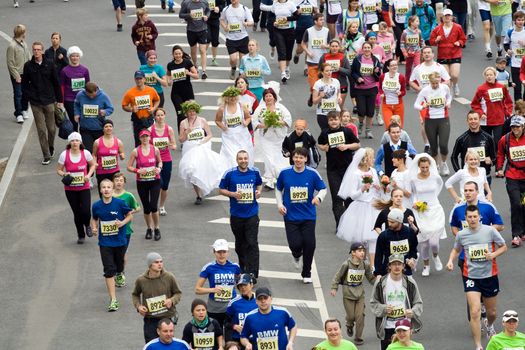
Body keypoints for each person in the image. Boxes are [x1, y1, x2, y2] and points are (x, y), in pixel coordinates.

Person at [446, 205, 508, 350]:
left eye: (475, 217)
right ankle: (478, 346)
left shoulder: (490, 230)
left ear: (479, 217)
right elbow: (456, 249)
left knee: (492, 312)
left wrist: (493, 255)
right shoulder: (462, 234)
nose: (472, 219)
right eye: (469, 217)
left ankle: (489, 324)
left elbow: (503, 246)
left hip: (489, 275)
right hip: (470, 276)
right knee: (475, 311)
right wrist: (450, 261)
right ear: (466, 219)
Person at [276, 147, 327, 283]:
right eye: (296, 157)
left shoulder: (312, 173)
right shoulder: (285, 173)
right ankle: (296, 254)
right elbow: (278, 189)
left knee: (310, 244)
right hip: (290, 216)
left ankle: (307, 273)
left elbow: (323, 188)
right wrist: (280, 205)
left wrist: (318, 198)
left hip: (308, 216)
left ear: (306, 159)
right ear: (292, 158)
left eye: (301, 157)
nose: (298, 160)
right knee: (295, 244)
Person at [90, 179, 133, 312]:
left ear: (113, 189)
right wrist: (94, 228)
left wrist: (122, 222)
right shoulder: (96, 206)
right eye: (104, 187)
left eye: (109, 187)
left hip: (119, 241)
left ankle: (120, 272)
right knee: (109, 270)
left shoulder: (120, 203)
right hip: (105, 243)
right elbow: (94, 218)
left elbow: (130, 215)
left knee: (119, 265)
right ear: (101, 190)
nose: (107, 189)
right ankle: (113, 300)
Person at [219, 151, 262, 279]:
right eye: (240, 159)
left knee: (252, 243)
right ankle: (243, 269)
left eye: (245, 158)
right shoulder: (230, 173)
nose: (243, 161)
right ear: (237, 160)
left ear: (248, 159)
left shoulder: (255, 172)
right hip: (236, 215)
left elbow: (259, 184)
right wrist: (233, 194)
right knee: (240, 244)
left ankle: (253, 273)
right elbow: (221, 189)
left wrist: (258, 192)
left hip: (252, 214)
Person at [370, 254, 423, 350]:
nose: (397, 267)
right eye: (394, 264)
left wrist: (413, 311)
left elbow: (418, 303)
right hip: (387, 327)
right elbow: (373, 303)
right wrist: (384, 309)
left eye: (399, 264)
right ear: (389, 266)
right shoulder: (381, 283)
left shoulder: (410, 282)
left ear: (403, 266)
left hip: (405, 325)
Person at [337, 148, 381, 263]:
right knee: (360, 239)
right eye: (371, 158)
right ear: (366, 159)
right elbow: (353, 195)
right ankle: (360, 261)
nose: (373, 159)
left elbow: (377, 191)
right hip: (360, 207)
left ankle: (372, 266)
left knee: (373, 238)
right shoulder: (356, 174)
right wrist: (362, 188)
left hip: (373, 207)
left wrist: (378, 188)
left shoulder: (373, 171)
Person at [22, 41, 63, 165]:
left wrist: (60, 100)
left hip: (49, 101)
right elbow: (24, 84)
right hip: (35, 102)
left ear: (42, 51)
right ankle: (46, 155)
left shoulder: (49, 64)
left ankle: (50, 146)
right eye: (34, 49)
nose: (36, 52)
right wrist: (28, 97)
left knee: (51, 129)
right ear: (32, 51)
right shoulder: (28, 65)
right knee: (41, 129)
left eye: (38, 49)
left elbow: (56, 83)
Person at [317, 111, 360, 227]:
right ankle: (339, 224)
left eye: (335, 119)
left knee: (348, 197)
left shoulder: (346, 131)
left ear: (340, 120)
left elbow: (357, 144)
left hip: (347, 169)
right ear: (328, 121)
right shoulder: (325, 132)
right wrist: (324, 147)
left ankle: (350, 223)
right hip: (332, 170)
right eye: (331, 120)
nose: (333, 122)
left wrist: (347, 146)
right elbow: (319, 143)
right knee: (336, 197)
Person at [179, 100, 224, 205]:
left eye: (194, 111)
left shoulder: (202, 120)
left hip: (202, 147)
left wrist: (203, 142)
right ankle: (198, 195)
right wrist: (187, 132)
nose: (192, 113)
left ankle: (206, 185)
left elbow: (209, 134)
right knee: (192, 170)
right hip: (189, 149)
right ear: (186, 112)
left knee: (204, 168)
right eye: (190, 111)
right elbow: (181, 139)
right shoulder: (183, 123)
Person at [132, 252, 183, 344]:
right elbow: (135, 294)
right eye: (156, 262)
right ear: (150, 265)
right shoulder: (141, 280)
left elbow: (178, 293)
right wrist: (138, 306)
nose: (160, 264)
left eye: (161, 261)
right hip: (150, 319)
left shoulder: (169, 277)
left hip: (167, 317)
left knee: (167, 343)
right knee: (152, 344)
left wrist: (171, 300)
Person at [407, 154, 445, 276]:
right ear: (419, 166)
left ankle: (436, 256)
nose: (424, 169)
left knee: (434, 242)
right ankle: (426, 265)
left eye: (426, 167)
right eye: (422, 167)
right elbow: (412, 194)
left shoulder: (435, 177)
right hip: (420, 212)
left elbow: (439, 187)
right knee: (423, 243)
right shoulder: (413, 180)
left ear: (430, 166)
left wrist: (433, 200)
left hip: (435, 210)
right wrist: (416, 204)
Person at [330, 243, 375, 345]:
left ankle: (358, 337)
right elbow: (337, 276)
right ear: (353, 253)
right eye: (359, 251)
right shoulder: (346, 264)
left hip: (360, 294)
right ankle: (349, 324)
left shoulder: (365, 264)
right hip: (348, 294)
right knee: (351, 316)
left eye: (363, 251)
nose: (362, 253)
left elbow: (370, 278)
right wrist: (334, 288)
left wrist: (379, 284)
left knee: (360, 316)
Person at [56, 132, 96, 244]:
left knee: (86, 211)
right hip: (70, 190)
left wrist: (88, 175)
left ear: (80, 142)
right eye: (72, 140)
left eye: (77, 140)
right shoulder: (64, 154)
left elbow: (93, 165)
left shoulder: (86, 153)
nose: (75, 143)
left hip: (84, 187)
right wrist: (64, 174)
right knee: (77, 213)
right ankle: (81, 235)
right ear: (69, 142)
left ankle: (87, 224)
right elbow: (58, 169)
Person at [408, 46, 450, 154]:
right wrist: (419, 89)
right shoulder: (418, 68)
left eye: (429, 52)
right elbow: (411, 81)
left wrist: (439, 87)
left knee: (437, 122)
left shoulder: (439, 67)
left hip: (438, 99)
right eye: (424, 53)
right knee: (423, 122)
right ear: (422, 55)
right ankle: (427, 144)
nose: (427, 54)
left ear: (433, 54)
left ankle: (435, 143)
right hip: (425, 99)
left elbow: (448, 81)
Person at [195, 238, 242, 328]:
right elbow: (197, 289)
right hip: (214, 308)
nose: (221, 255)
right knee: (216, 335)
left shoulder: (235, 267)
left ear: (228, 252)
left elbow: (242, 285)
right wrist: (213, 290)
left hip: (231, 306)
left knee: (231, 336)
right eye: (219, 252)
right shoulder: (209, 267)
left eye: (224, 252)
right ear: (214, 252)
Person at [127, 129, 163, 241]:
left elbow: (160, 161)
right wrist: (137, 171)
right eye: (143, 137)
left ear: (150, 137)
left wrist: (159, 168)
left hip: (154, 181)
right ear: (140, 138)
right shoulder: (136, 151)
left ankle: (157, 228)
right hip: (142, 182)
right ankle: (149, 228)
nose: (145, 139)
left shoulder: (155, 149)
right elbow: (129, 166)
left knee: (153, 206)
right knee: (146, 208)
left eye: (147, 136)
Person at [252, 88, 292, 189]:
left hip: (279, 137)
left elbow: (288, 119)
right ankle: (277, 177)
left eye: (270, 96)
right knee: (268, 158)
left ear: (274, 97)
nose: (268, 98)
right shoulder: (260, 109)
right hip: (265, 138)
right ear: (264, 98)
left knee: (277, 158)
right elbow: (254, 121)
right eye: (266, 96)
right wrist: (263, 125)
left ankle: (271, 179)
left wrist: (278, 122)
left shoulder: (281, 107)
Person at [414, 72, 452, 176]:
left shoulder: (444, 88)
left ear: (440, 80)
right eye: (433, 83)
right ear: (429, 82)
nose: (435, 85)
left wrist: (448, 103)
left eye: (437, 83)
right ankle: (436, 165)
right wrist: (423, 106)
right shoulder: (425, 91)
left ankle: (444, 163)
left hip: (443, 119)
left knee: (443, 145)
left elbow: (449, 97)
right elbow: (416, 104)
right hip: (430, 120)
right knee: (434, 147)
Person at [471, 67, 513, 159]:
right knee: (485, 143)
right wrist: (480, 113)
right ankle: (487, 166)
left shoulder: (502, 87)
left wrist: (508, 112)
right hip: (485, 121)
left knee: (498, 142)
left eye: (491, 75)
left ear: (495, 75)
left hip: (499, 120)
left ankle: (497, 163)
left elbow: (508, 102)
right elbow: (474, 104)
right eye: (487, 75)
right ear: (485, 76)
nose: (489, 77)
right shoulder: (481, 89)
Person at [496, 115, 525, 247]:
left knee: (524, 205)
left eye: (517, 126)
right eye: (513, 126)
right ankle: (516, 235)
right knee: (516, 204)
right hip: (512, 175)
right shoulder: (505, 139)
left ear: (523, 126)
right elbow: (500, 154)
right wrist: (499, 168)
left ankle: (523, 231)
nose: (515, 129)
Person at [450, 110, 496, 186]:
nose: (473, 121)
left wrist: (491, 161)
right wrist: (459, 172)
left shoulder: (488, 138)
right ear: (467, 121)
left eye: (475, 119)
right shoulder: (461, 139)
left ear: (479, 120)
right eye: (471, 119)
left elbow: (495, 157)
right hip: (468, 178)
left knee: (484, 198)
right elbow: (453, 157)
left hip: (484, 177)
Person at [260, 0, 300, 83]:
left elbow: (297, 17)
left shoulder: (290, 4)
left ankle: (287, 67)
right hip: (278, 31)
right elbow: (271, 16)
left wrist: (287, 19)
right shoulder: (275, 5)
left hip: (289, 31)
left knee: (288, 53)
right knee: (281, 52)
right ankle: (283, 73)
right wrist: (274, 22)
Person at [429, 9, 466, 96]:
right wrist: (436, 40)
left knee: (454, 75)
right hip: (443, 55)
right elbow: (431, 41)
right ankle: (448, 94)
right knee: (446, 77)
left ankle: (455, 84)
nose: (447, 17)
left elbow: (463, 39)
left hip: (455, 53)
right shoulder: (437, 29)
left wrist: (459, 42)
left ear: (452, 17)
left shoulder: (458, 27)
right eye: (445, 16)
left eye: (449, 15)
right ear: (442, 17)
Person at [216, 87, 254, 169]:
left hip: (242, 135)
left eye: (234, 96)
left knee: (244, 156)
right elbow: (217, 120)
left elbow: (248, 117)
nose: (232, 99)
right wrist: (223, 127)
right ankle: (231, 174)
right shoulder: (222, 109)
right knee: (232, 158)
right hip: (229, 137)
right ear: (226, 98)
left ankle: (246, 173)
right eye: (230, 97)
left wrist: (246, 123)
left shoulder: (241, 106)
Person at [374, 207, 418, 277]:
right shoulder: (383, 236)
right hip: (388, 272)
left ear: (399, 221)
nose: (389, 224)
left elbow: (413, 249)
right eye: (388, 221)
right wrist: (378, 273)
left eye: (392, 222)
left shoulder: (410, 232)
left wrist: (412, 258)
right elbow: (378, 255)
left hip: (406, 271)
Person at [351, 41, 382, 139]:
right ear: (362, 49)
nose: (367, 49)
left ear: (371, 49)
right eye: (365, 47)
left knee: (370, 111)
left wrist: (376, 72)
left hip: (372, 88)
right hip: (360, 88)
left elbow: (378, 76)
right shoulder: (357, 59)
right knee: (361, 110)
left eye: (368, 47)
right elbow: (353, 72)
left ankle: (368, 130)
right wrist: (357, 78)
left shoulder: (375, 60)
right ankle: (360, 124)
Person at [121, 70, 160, 147]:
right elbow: (124, 106)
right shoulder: (130, 92)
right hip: (137, 120)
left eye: (140, 78)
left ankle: (152, 158)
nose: (139, 80)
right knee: (139, 142)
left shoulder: (151, 90)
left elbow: (157, 100)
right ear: (134, 79)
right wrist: (131, 109)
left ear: (144, 79)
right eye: (137, 79)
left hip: (149, 118)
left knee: (152, 141)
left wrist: (153, 108)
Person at [149, 108, 176, 216]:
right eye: (158, 115)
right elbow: (146, 145)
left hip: (166, 159)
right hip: (154, 160)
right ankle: (153, 204)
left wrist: (171, 145)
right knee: (157, 183)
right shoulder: (150, 130)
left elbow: (174, 144)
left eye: (162, 115)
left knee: (165, 185)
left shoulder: (169, 129)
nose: (160, 117)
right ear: (155, 117)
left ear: (165, 116)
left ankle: (162, 206)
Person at [74, 82, 114, 154]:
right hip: (85, 128)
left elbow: (110, 108)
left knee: (100, 151)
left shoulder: (103, 96)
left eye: (93, 95)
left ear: (96, 90)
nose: (91, 97)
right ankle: (90, 165)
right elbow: (76, 104)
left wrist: (104, 112)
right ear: (86, 91)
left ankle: (99, 165)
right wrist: (77, 113)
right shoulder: (80, 95)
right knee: (88, 151)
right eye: (89, 96)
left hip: (99, 129)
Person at [166, 45, 199, 132]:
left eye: (179, 53)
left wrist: (189, 73)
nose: (178, 55)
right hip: (176, 93)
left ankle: (192, 132)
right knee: (180, 115)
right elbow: (168, 77)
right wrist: (169, 81)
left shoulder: (187, 62)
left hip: (188, 92)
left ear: (182, 53)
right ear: (173, 55)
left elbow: (197, 76)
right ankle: (182, 134)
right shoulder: (170, 65)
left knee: (191, 114)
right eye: (176, 54)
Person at [301, 13, 331, 104]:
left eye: (323, 19)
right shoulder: (309, 31)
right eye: (321, 20)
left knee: (323, 82)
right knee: (314, 83)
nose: (323, 21)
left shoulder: (326, 31)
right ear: (315, 21)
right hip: (312, 61)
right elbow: (303, 44)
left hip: (323, 61)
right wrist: (308, 52)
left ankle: (319, 99)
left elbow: (330, 45)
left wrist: (325, 46)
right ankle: (313, 94)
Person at [221, 0, 254, 80]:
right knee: (233, 59)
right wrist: (225, 27)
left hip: (243, 38)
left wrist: (247, 24)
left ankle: (240, 77)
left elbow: (252, 22)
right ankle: (233, 68)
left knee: (243, 61)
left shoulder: (244, 9)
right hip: (231, 38)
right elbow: (222, 20)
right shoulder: (226, 9)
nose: (233, 0)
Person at [112, 172, 140, 265]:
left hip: (125, 229)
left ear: (124, 183)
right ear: (113, 183)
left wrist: (129, 212)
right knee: (113, 251)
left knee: (122, 252)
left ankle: (121, 272)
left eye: (121, 181)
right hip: (111, 228)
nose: (119, 182)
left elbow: (137, 208)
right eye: (116, 180)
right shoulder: (108, 195)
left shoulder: (129, 196)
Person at [60, 46, 90, 132]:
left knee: (84, 122)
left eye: (77, 56)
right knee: (74, 122)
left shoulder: (85, 70)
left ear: (79, 57)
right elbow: (62, 87)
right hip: (69, 100)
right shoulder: (64, 71)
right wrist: (61, 102)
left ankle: (82, 140)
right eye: (73, 56)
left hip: (82, 99)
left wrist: (90, 99)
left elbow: (88, 86)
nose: (75, 58)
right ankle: (75, 141)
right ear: (69, 57)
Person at [6, 24, 31, 124]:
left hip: (26, 73)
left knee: (26, 93)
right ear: (22, 33)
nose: (26, 33)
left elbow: (28, 55)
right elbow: (10, 63)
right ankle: (18, 113)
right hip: (18, 74)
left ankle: (24, 109)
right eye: (24, 31)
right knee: (18, 94)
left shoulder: (24, 43)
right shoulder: (12, 46)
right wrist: (16, 76)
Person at [92, 119, 125, 194]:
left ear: (112, 128)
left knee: (115, 193)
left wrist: (122, 155)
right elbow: (94, 155)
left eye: (110, 126)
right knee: (103, 193)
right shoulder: (97, 142)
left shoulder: (118, 142)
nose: (108, 128)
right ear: (103, 129)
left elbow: (122, 152)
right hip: (101, 172)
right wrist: (94, 163)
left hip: (114, 172)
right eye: (106, 126)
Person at [179, 0, 210, 79]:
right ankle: (195, 65)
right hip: (191, 30)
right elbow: (181, 14)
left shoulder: (204, 2)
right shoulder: (186, 3)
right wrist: (189, 15)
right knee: (193, 50)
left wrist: (207, 16)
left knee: (203, 50)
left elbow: (208, 10)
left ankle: (204, 71)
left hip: (203, 30)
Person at [318, 39, 352, 108]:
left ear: (339, 47)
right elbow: (319, 70)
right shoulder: (324, 57)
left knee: (339, 107)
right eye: (332, 46)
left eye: (336, 46)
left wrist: (339, 69)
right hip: (327, 85)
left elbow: (348, 71)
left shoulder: (343, 57)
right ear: (329, 47)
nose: (334, 48)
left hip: (341, 84)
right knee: (329, 107)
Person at [225, 273, 258, 343]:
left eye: (245, 285)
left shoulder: (260, 301)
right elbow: (226, 323)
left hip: (256, 339)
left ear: (251, 285)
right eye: (240, 286)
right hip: (238, 340)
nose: (242, 288)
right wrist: (234, 326)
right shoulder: (233, 303)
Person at [312, 63, 342, 130]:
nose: (329, 72)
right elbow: (314, 101)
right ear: (322, 72)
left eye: (330, 70)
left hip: (335, 111)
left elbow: (338, 93)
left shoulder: (336, 82)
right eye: (327, 71)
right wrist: (320, 96)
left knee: (336, 132)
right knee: (326, 133)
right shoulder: (318, 84)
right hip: (323, 113)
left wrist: (339, 98)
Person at [378, 60, 406, 129]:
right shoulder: (383, 76)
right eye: (392, 65)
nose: (395, 67)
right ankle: (389, 139)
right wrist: (381, 93)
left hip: (398, 105)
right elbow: (380, 87)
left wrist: (400, 93)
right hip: (386, 105)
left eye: (396, 65)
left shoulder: (401, 77)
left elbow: (404, 91)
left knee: (399, 127)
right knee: (389, 127)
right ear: (388, 67)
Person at [504, 11, 525, 101]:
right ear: (515, 21)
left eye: (523, 20)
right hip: (515, 64)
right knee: (517, 88)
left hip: (524, 64)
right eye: (519, 20)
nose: (521, 22)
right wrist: (508, 50)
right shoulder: (510, 32)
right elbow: (506, 43)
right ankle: (519, 110)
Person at [401, 16, 424, 89]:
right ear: (411, 22)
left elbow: (421, 41)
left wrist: (423, 49)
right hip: (408, 53)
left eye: (418, 21)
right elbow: (402, 44)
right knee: (408, 68)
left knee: (417, 67)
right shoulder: (405, 32)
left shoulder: (419, 31)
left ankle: (417, 83)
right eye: (417, 21)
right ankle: (407, 82)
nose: (418, 23)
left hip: (417, 51)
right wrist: (404, 52)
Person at [207, 0, 225, 66]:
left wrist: (219, 8)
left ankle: (214, 59)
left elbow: (223, 5)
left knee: (215, 41)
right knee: (207, 38)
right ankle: (203, 54)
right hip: (205, 20)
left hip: (215, 19)